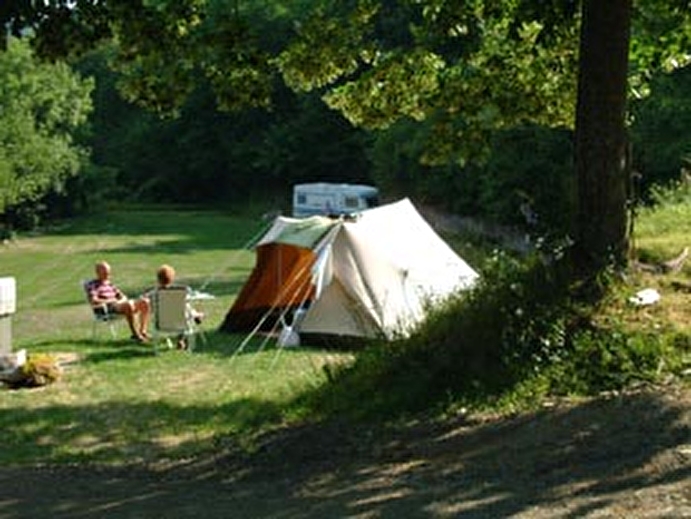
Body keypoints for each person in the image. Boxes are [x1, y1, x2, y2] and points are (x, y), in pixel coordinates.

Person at [86, 260, 150, 343]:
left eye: (108, 272)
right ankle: (135, 335)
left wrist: (122, 300)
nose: (108, 275)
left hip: (118, 305)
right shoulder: (93, 285)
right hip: (106, 308)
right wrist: (111, 300)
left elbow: (122, 296)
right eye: (105, 273)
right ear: (98, 272)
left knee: (145, 302)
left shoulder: (109, 284)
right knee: (128, 305)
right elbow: (94, 300)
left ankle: (143, 331)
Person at [144, 264, 204, 349]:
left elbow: (146, 303)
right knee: (186, 311)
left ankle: (195, 316)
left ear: (158, 279)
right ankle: (184, 335)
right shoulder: (180, 294)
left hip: (161, 323)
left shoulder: (153, 294)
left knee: (184, 312)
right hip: (180, 322)